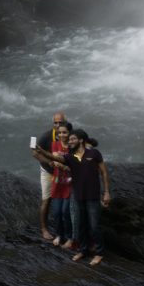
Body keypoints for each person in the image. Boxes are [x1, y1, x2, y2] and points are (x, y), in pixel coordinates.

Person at [33, 129, 110, 266]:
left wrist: (106, 193)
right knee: (80, 225)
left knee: (94, 226)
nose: (70, 142)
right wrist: (41, 151)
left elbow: (104, 172)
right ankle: (83, 250)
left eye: (72, 139)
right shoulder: (70, 156)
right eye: (69, 140)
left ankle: (99, 253)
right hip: (78, 196)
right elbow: (56, 158)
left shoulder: (94, 153)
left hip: (92, 196)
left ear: (80, 140)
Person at [37, 111, 67, 240]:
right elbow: (35, 153)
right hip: (48, 171)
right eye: (55, 122)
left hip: (65, 171)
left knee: (67, 199)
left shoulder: (68, 134)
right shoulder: (46, 137)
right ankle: (44, 229)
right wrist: (49, 162)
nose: (58, 125)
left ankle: (67, 231)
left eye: (61, 122)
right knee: (47, 199)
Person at [48, 121, 74, 247]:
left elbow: (69, 165)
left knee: (66, 212)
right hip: (58, 183)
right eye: (60, 133)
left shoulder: (73, 147)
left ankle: (70, 237)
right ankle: (59, 235)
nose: (62, 135)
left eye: (65, 132)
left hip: (70, 184)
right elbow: (55, 160)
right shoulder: (55, 144)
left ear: (70, 133)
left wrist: (61, 163)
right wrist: (64, 164)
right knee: (57, 212)